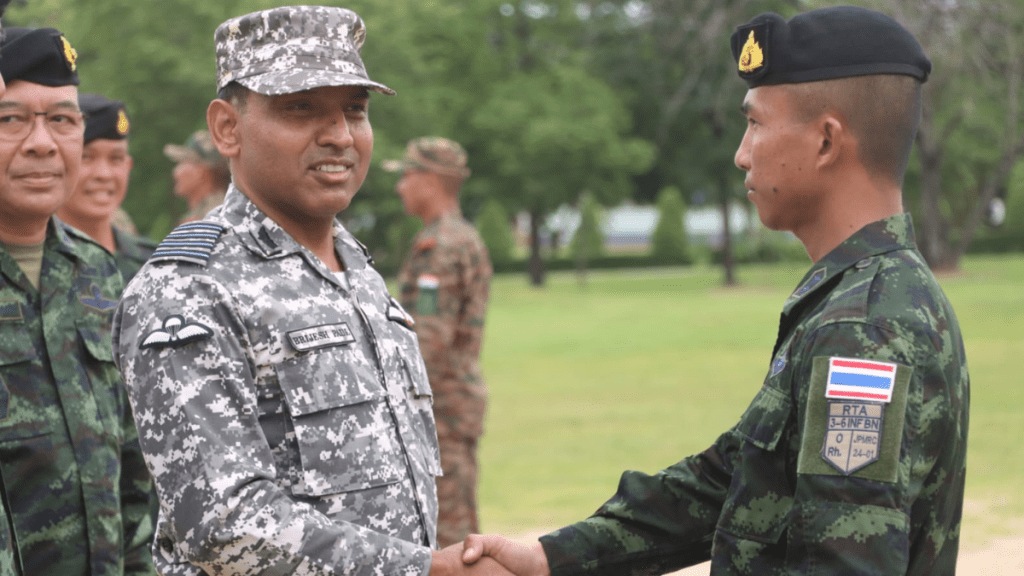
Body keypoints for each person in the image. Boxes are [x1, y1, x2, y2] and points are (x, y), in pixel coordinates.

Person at [462, 6, 970, 576]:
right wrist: (555, 557)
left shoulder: (864, 326)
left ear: (826, 141)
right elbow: (734, 478)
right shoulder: (870, 293)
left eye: (755, 124)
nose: (741, 153)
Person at [113, 6, 501, 575]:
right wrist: (425, 570)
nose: (340, 136)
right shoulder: (188, 289)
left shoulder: (357, 271)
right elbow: (224, 525)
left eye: (355, 110)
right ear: (227, 127)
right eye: (300, 108)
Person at [0, 26, 155, 575]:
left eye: (63, 121)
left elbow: (132, 474)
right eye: (11, 120)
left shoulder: (97, 270)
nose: (42, 143)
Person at [385, 136, 492, 547]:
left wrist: (398, 400)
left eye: (406, 176)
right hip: (452, 399)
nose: (400, 187)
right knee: (456, 518)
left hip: (438, 404)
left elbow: (428, 338)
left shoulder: (441, 245)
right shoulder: (459, 236)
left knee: (449, 531)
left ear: (430, 179)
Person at [57, 92, 158, 282]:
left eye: (116, 158)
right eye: (86, 157)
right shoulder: (29, 265)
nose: (104, 174)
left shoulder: (157, 265)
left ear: (128, 166)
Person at [163, 128, 229, 224]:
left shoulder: (216, 217)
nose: (175, 171)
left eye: (182, 162)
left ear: (201, 172)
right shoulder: (206, 214)